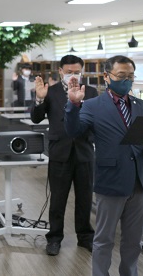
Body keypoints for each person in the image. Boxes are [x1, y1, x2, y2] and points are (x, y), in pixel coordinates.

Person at [64, 55, 143, 276]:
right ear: (106, 77)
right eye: (121, 76)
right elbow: (73, 131)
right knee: (104, 240)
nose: (126, 81)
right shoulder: (91, 105)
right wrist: (73, 104)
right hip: (111, 181)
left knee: (133, 242)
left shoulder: (141, 105)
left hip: (140, 182)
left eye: (130, 77)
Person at [30, 55, 98, 256]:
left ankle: (85, 236)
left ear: (82, 71)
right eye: (69, 72)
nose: (73, 75)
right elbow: (35, 117)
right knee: (58, 199)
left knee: (85, 198)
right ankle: (54, 238)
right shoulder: (49, 91)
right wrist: (40, 98)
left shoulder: (92, 91)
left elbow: (97, 120)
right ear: (60, 71)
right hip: (60, 151)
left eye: (77, 71)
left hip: (85, 151)